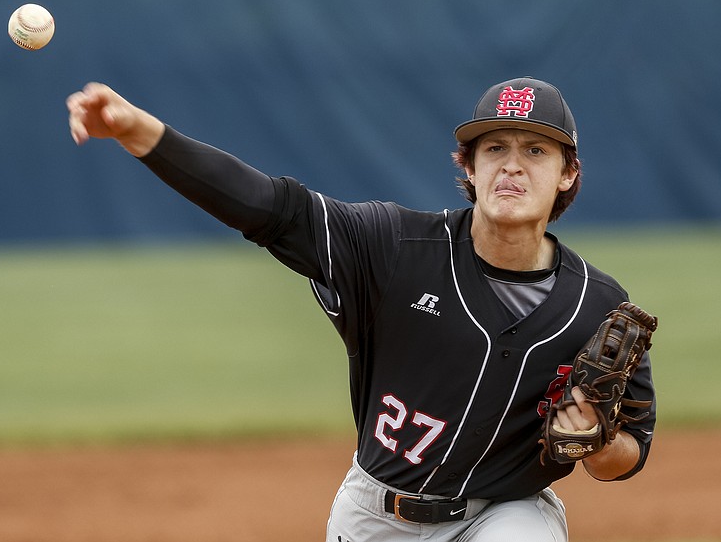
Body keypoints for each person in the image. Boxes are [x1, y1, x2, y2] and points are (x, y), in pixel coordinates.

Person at [66, 77, 655, 541]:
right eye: (494, 148)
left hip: (507, 516)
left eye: (536, 150)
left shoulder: (598, 307)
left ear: (568, 173)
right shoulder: (391, 248)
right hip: (375, 517)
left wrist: (598, 444)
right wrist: (141, 133)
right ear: (469, 171)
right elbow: (268, 207)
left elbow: (627, 457)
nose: (512, 164)